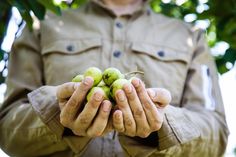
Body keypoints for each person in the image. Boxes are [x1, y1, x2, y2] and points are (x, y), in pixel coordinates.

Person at [0, 0, 229, 156]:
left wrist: (162, 126)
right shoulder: (42, 26)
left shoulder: (190, 37)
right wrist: (57, 114)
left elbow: (216, 134)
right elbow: (7, 128)